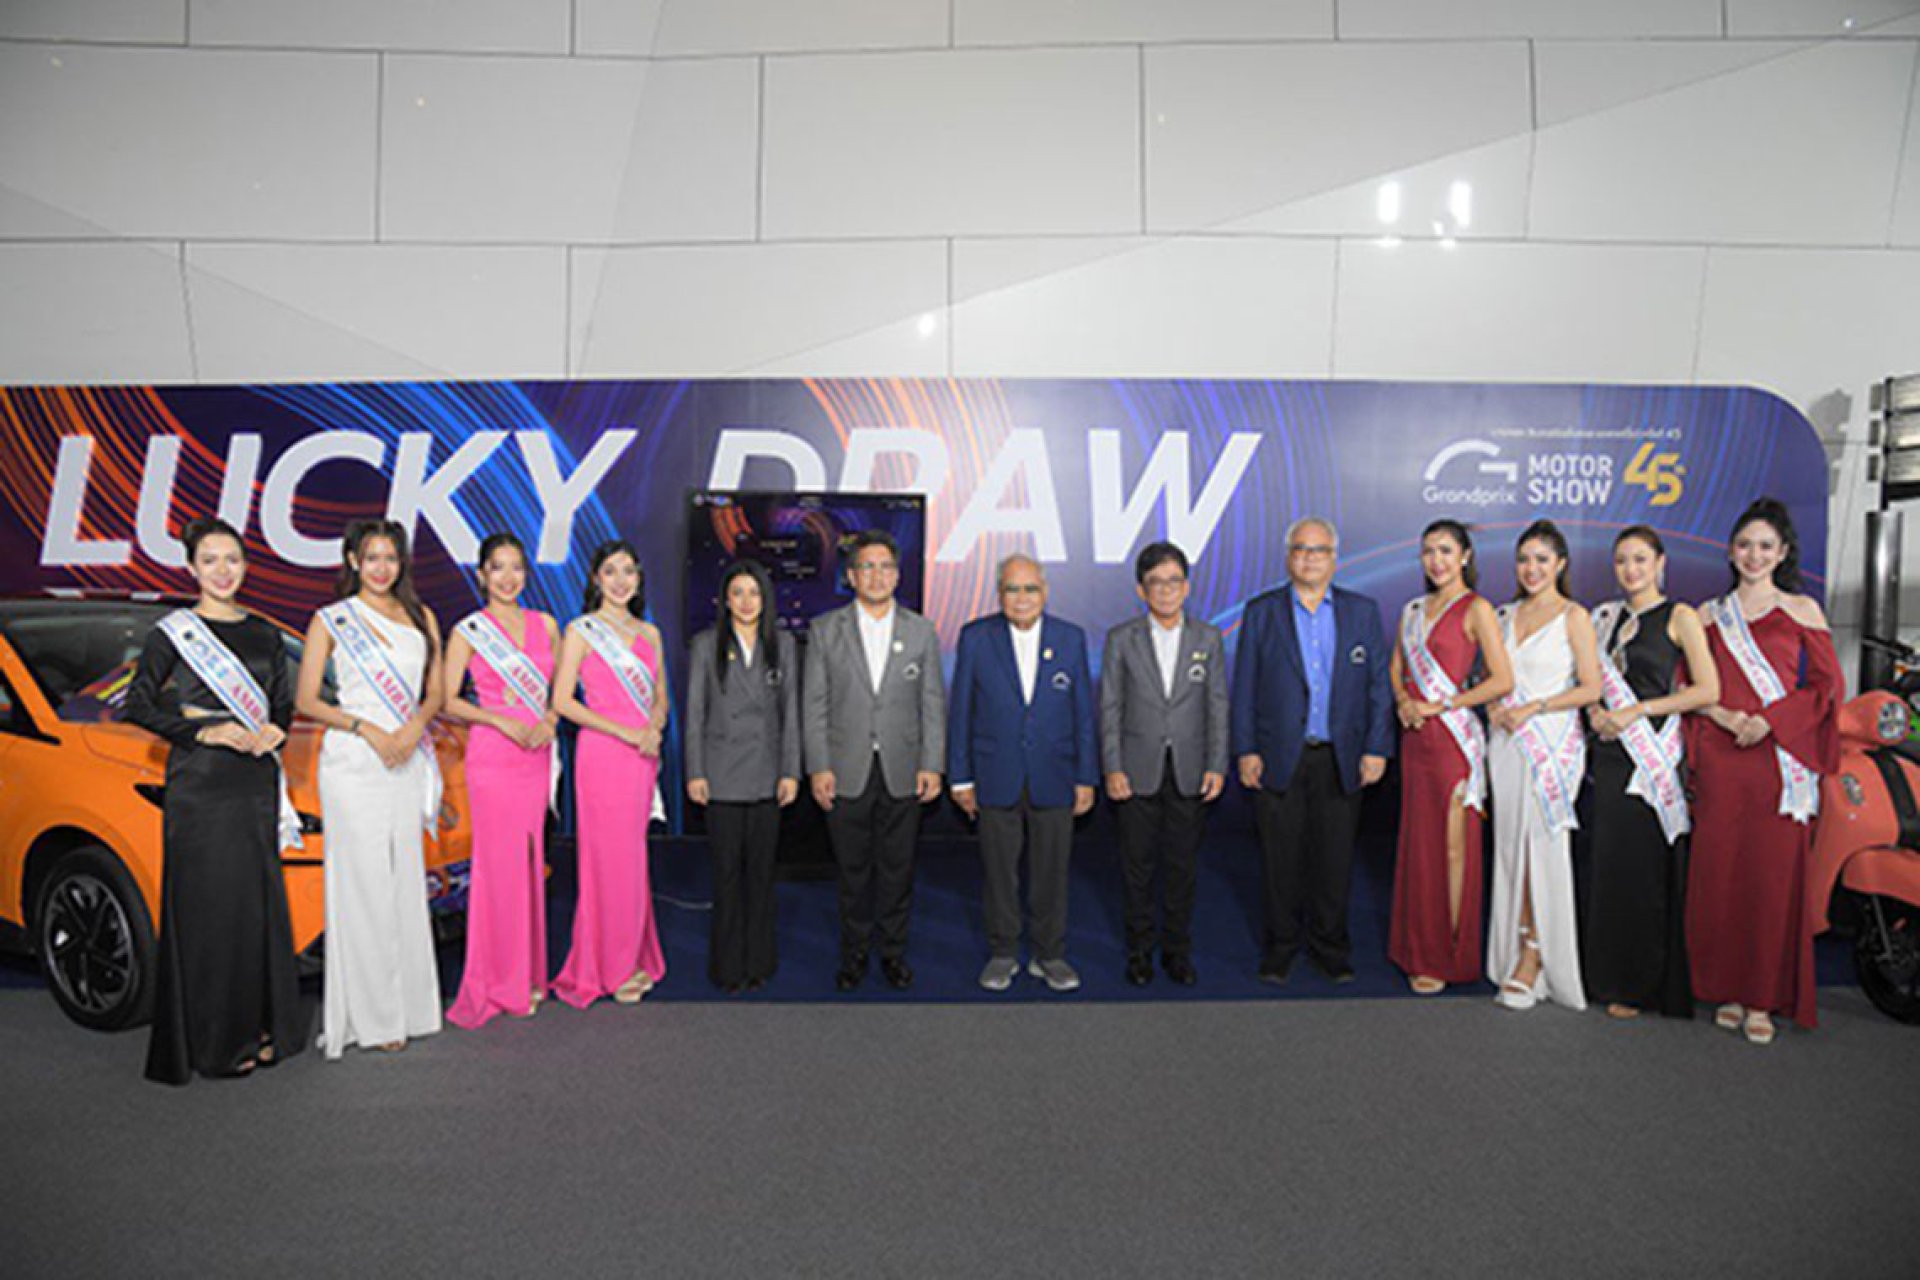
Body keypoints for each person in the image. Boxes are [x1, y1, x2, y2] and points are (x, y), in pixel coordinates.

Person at [123, 517, 306, 1084]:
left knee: (253, 912)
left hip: (254, 784)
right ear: (191, 568)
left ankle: (259, 1027)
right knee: (209, 915)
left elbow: (282, 702)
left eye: (232, 559)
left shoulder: (264, 632)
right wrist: (204, 732)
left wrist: (276, 729)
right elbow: (137, 705)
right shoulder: (173, 634)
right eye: (210, 560)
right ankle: (215, 1042)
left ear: (245, 566)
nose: (223, 571)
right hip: (201, 786)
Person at [1687, 498, 1843, 1045]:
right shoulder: (1708, 616)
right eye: (1745, 545)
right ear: (1731, 552)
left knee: (1770, 879)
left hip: (1778, 759)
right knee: (1722, 875)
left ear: (1782, 554)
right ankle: (1728, 989)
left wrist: (1771, 721)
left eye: (1765, 547)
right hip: (1722, 755)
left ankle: (1762, 997)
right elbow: (1686, 684)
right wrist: (1722, 714)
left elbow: (1827, 687)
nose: (1754, 555)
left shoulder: (1802, 611)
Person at [296, 519, 445, 1057]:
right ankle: (374, 1018)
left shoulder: (420, 616)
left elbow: (435, 692)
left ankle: (411, 1007)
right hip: (354, 760)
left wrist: (411, 729)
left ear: (401, 563)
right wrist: (368, 729)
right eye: (372, 557)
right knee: (363, 886)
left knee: (404, 880)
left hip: (405, 756)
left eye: (391, 557)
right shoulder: (331, 620)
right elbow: (307, 700)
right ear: (353, 561)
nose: (382, 568)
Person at [1231, 517, 1395, 986]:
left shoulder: (1361, 612)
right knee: (1279, 860)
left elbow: (1378, 686)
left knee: (1334, 859)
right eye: (1300, 549)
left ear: (1334, 559)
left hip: (1342, 756)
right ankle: (1280, 949)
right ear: (1288, 557)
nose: (1309, 558)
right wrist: (1246, 748)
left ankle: (1330, 948)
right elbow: (1244, 686)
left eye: (1318, 550)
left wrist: (1376, 748)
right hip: (1278, 754)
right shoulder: (1262, 612)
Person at [1583, 526, 1718, 1021]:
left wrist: (1638, 710)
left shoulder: (1680, 616)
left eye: (1640, 559)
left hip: (1651, 759)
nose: (1631, 569)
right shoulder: (1604, 618)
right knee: (1609, 867)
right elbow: (1590, 681)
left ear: (1660, 563)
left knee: (1644, 872)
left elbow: (1707, 690)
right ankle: (1605, 976)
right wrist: (1595, 712)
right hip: (1610, 757)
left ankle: (1641, 983)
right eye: (1622, 560)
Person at [803, 529, 946, 992]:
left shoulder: (921, 630)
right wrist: (818, 766)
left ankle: (893, 953)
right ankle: (854, 954)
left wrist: (932, 764)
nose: (877, 575)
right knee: (852, 872)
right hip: (845, 769)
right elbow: (814, 704)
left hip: (904, 769)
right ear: (851, 576)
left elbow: (932, 703)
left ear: (897, 575)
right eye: (867, 567)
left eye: (885, 567)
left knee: (897, 870)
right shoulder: (826, 630)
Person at [950, 554, 1098, 992]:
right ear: (1000, 594)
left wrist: (1086, 777)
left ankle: (1049, 954)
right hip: (995, 775)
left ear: (1045, 592)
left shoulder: (1070, 638)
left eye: (1030, 588)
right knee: (999, 875)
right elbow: (961, 711)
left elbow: (1083, 715)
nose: (1021, 598)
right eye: (1012, 589)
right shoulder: (976, 637)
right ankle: (1002, 953)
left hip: (1056, 775)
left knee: (1051, 873)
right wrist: (960, 777)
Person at [1388, 520, 1513, 995]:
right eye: (1428, 551)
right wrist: (1403, 701)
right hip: (1416, 739)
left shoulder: (1477, 608)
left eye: (1445, 550)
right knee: (1419, 845)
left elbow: (1502, 680)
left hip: (1452, 744)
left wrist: (1444, 704)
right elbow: (1396, 667)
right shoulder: (1412, 610)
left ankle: (1449, 952)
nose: (1436, 560)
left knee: (1451, 845)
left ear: (1465, 556)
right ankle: (1416, 947)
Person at [442, 533, 560, 1029]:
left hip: (536, 754)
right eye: (498, 568)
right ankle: (498, 980)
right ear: (482, 575)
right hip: (493, 756)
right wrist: (497, 719)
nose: (508, 578)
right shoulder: (468, 631)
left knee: (529, 865)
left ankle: (526, 972)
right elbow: (448, 699)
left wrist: (550, 720)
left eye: (516, 568)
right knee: (497, 868)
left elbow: (560, 691)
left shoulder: (546, 625)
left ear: (526, 574)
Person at [1484, 521, 1602, 1012]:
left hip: (1551, 746)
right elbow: (1491, 679)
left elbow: (1591, 688)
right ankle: (1512, 945)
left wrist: (1535, 707)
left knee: (1541, 847)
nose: (1531, 569)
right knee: (1511, 846)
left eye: (1542, 559)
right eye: (1524, 559)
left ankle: (1535, 954)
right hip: (1505, 745)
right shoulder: (1503, 614)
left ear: (1561, 564)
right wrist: (1494, 706)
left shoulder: (1575, 616)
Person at [1101, 542, 1228, 986]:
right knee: (1136, 868)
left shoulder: (1208, 638)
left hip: (1190, 770)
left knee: (1182, 867)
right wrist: (1113, 767)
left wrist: (1217, 764)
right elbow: (1110, 707)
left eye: (1174, 581)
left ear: (1186, 587)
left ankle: (1177, 951)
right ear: (1141, 590)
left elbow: (1217, 705)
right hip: (1135, 771)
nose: (1166, 590)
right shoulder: (1121, 639)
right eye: (1156, 582)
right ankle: (1139, 952)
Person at [551, 540, 669, 1008]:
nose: (620, 581)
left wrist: (654, 727)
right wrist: (624, 731)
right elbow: (563, 702)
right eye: (611, 571)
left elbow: (660, 696)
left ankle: (632, 953)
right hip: (602, 754)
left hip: (641, 756)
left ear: (639, 579)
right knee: (606, 861)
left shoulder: (650, 634)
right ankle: (610, 966)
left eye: (628, 572)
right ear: (596, 578)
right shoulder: (581, 631)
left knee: (632, 860)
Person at [687, 560, 801, 994]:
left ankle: (759, 962)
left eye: (754, 593)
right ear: (725, 600)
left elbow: (791, 712)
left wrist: (790, 770)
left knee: (761, 875)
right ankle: (727, 967)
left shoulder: (783, 644)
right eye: (738, 593)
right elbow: (694, 714)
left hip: (767, 774)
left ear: (765, 599)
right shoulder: (705, 645)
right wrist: (695, 771)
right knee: (727, 876)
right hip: (720, 775)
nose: (747, 601)